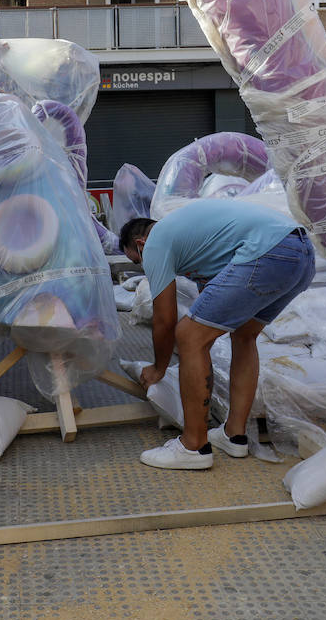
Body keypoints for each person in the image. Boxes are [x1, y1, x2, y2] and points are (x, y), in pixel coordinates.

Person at [120, 199, 315, 469]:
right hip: (301, 253)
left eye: (137, 261)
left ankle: (193, 446)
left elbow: (164, 319)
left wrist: (158, 368)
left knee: (188, 335)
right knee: (244, 335)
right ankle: (234, 435)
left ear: (141, 244)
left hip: (269, 251)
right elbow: (213, 300)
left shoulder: (156, 242)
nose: (144, 267)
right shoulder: (194, 239)